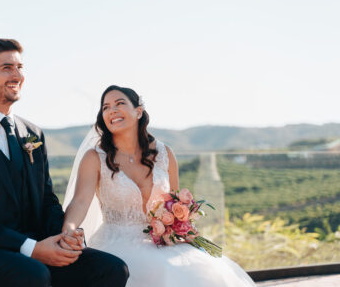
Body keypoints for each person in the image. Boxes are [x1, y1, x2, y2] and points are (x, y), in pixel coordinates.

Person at [0, 39, 129, 287]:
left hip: (36, 245)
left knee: (111, 269)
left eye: (20, 67)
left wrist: (65, 236)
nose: (18, 75)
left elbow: (46, 199)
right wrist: (31, 248)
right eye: (7, 68)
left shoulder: (33, 133)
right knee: (33, 275)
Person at [63, 85, 256, 286]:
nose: (112, 110)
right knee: (168, 272)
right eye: (106, 107)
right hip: (117, 242)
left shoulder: (165, 154)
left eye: (120, 103)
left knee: (211, 269)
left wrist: (182, 229)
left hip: (163, 242)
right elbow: (80, 201)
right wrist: (69, 229)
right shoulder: (95, 157)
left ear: (138, 111)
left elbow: (174, 202)